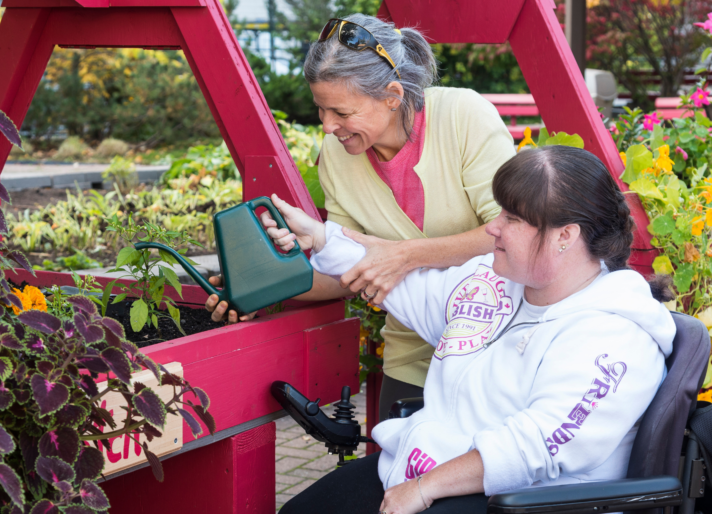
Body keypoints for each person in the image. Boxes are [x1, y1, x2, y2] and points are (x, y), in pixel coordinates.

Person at [267, 145, 676, 514]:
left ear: (565, 236)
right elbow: (408, 286)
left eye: (512, 218)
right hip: (418, 469)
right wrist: (321, 238)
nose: (493, 228)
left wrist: (424, 488)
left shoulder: (615, 336)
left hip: (521, 500)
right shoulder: (497, 282)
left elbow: (531, 448)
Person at [206, 14, 516, 417]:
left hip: (497, 347)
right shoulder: (337, 156)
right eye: (321, 110)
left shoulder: (463, 116)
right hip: (414, 355)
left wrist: (403, 256)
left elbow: (511, 231)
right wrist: (257, 287)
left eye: (342, 112)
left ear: (392, 95)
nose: (328, 126)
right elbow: (347, 272)